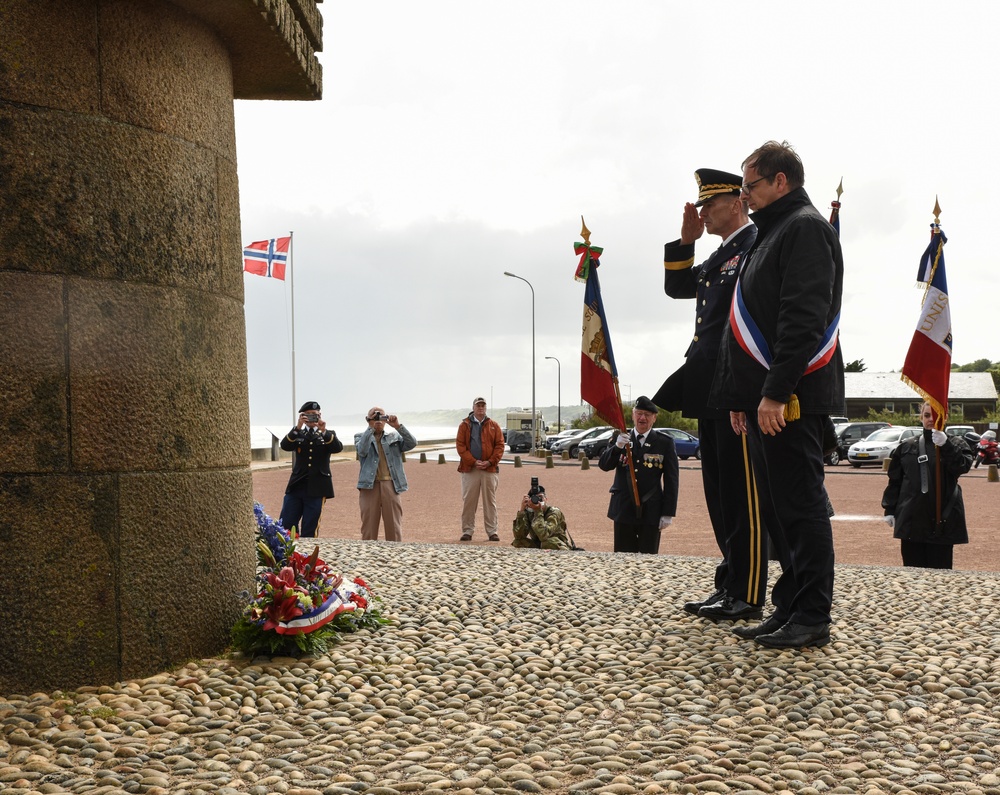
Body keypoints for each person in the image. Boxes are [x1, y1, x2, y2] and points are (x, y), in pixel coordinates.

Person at [710, 140, 845, 649]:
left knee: (802, 505)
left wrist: (773, 391)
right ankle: (788, 607)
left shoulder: (804, 228)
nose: (745, 196)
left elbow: (801, 317)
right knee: (780, 509)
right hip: (767, 401)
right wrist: (744, 398)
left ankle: (812, 613)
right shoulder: (772, 233)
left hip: (792, 399)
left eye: (751, 186)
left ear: (781, 181)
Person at [653, 168, 767, 622]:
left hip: (737, 385)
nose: (703, 212)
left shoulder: (755, 245)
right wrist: (686, 242)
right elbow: (679, 287)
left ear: (736, 203)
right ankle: (730, 584)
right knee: (719, 495)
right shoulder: (723, 253)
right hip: (710, 385)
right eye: (700, 206)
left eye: (709, 205)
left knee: (742, 496)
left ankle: (750, 592)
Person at [882, 402, 972, 569]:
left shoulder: (956, 444)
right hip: (912, 522)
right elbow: (896, 481)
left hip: (941, 522)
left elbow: (962, 466)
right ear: (920, 417)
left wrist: (946, 446)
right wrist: (890, 509)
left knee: (939, 578)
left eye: (936, 415)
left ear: (945, 417)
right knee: (912, 575)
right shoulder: (907, 446)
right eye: (927, 415)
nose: (931, 420)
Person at [598, 395, 679, 554]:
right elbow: (604, 465)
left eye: (647, 415)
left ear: (654, 418)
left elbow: (672, 480)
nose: (642, 418)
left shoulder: (664, 442)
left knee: (648, 560)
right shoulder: (620, 437)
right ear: (633, 416)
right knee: (623, 559)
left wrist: (668, 512)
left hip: (651, 510)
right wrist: (617, 447)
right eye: (639, 413)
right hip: (624, 508)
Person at [278, 401, 344, 538]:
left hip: (318, 487)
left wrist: (323, 430)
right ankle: (288, 556)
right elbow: (284, 446)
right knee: (286, 525)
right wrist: (297, 427)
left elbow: (337, 448)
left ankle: (306, 558)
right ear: (303, 417)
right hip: (297, 485)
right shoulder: (298, 433)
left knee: (310, 527)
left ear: (320, 415)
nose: (313, 418)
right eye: (309, 415)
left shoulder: (327, 434)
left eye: (315, 415)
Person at [354, 407, 417, 542]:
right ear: (368, 419)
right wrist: (370, 428)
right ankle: (368, 556)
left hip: (391, 484)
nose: (378, 420)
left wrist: (398, 426)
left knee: (394, 527)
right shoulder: (361, 436)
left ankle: (394, 557)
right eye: (374, 417)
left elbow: (412, 443)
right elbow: (362, 451)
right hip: (369, 486)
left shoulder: (393, 436)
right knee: (368, 529)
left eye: (381, 417)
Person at [456, 397, 505, 542]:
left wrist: (490, 462)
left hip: (489, 470)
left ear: (486, 408)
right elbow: (460, 446)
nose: (481, 408)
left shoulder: (494, 425)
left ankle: (492, 531)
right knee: (469, 501)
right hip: (470, 469)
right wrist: (473, 461)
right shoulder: (464, 425)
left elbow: (500, 446)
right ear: (473, 407)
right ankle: (467, 530)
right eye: (478, 406)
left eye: (483, 406)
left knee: (490, 501)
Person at [510, 479, 576, 551]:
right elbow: (519, 536)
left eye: (540, 498)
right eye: (535, 498)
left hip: (557, 544)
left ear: (546, 499)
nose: (538, 501)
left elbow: (544, 535)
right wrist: (522, 511)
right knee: (518, 542)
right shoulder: (529, 512)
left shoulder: (554, 512)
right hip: (539, 544)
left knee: (547, 542)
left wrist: (538, 511)